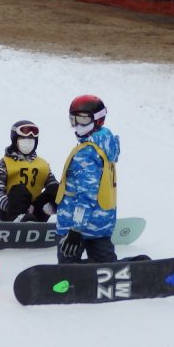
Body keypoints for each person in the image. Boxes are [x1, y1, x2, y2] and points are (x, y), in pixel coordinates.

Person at [53, 95, 121, 263]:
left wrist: (76, 229)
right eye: (73, 119)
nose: (77, 125)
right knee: (105, 266)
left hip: (76, 226)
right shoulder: (104, 146)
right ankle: (131, 265)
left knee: (67, 270)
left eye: (83, 119)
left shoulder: (86, 153)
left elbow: (87, 194)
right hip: (100, 224)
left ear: (98, 120)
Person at [0, 119, 60, 222]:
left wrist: (52, 203)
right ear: (15, 140)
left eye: (31, 138)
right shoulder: (5, 163)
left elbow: (53, 186)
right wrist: (10, 206)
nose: (28, 142)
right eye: (23, 138)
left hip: (36, 210)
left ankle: (46, 215)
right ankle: (19, 219)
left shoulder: (42, 164)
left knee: (57, 188)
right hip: (10, 210)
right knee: (19, 189)